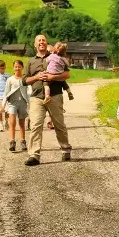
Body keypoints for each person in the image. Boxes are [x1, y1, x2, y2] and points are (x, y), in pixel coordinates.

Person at [24, 34, 72, 165]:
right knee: (35, 126)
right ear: (35, 44)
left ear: (46, 43)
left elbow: (67, 74)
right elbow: (25, 80)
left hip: (55, 95)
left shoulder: (56, 57)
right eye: (39, 40)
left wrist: (52, 77)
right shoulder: (30, 61)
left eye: (43, 40)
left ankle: (66, 150)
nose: (41, 42)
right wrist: (37, 77)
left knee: (59, 125)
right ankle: (34, 155)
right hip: (36, 97)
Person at [1, 60, 29, 153]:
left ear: (22, 67)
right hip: (12, 103)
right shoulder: (10, 79)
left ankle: (22, 141)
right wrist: (3, 104)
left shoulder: (25, 79)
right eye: (16, 67)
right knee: (12, 122)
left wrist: (29, 102)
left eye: (19, 66)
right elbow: (6, 92)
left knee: (21, 123)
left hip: (23, 103)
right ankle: (12, 141)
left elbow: (29, 91)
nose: (17, 68)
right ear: (13, 68)